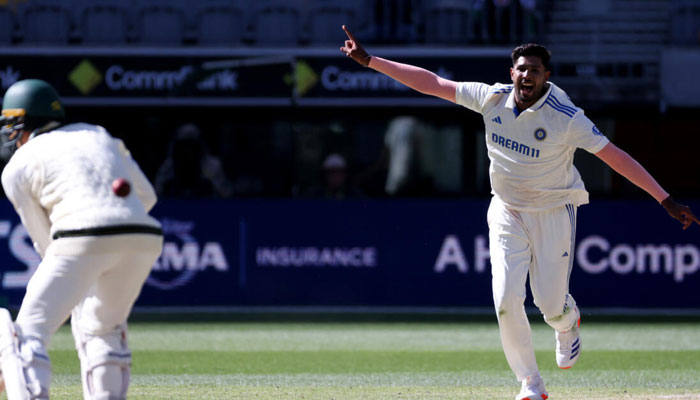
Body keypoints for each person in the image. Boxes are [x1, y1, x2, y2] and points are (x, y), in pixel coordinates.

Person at [340, 26, 700, 400]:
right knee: (506, 301)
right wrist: (370, 61)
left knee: (549, 305)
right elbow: (432, 83)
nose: (526, 75)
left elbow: (615, 157)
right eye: (521, 69)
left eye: (535, 70)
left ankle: (567, 322)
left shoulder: (567, 116)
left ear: (546, 76)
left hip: (552, 210)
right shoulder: (492, 98)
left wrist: (665, 199)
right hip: (506, 210)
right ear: (511, 72)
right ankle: (530, 384)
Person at [0, 79, 163, 400]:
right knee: (104, 330)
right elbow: (147, 196)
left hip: (79, 236)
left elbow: (46, 243)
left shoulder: (17, 165)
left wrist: (78, 278)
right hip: (143, 236)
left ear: (21, 121)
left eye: (9, 123)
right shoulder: (98, 133)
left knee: (28, 332)